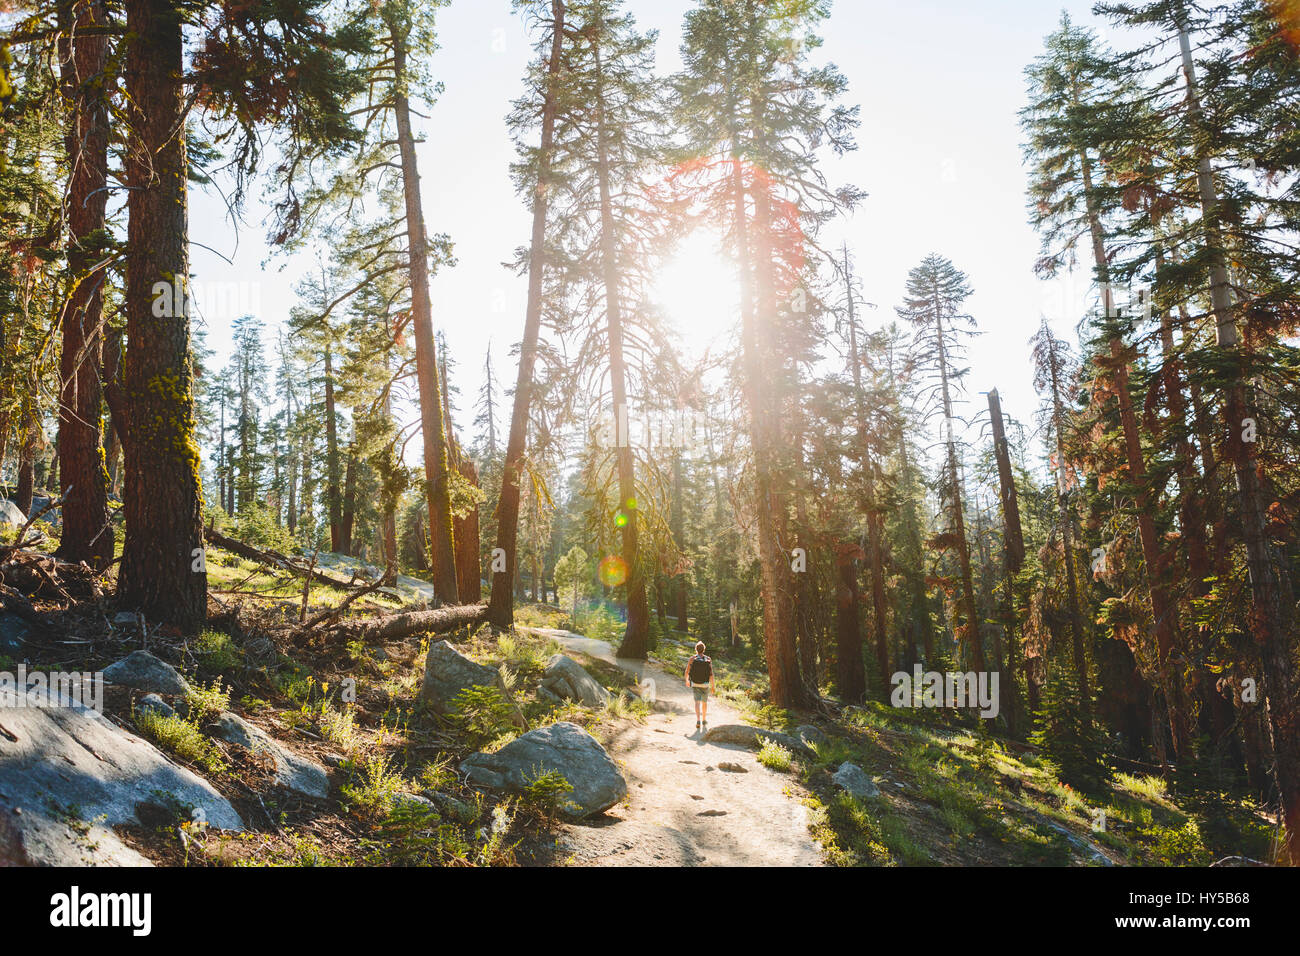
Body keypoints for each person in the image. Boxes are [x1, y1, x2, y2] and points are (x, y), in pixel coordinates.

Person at [684, 641, 715, 732]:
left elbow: (687, 671)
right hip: (705, 684)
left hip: (695, 683)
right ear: (704, 649)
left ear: (696, 649)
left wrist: (686, 680)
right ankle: (704, 719)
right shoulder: (708, 659)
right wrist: (713, 686)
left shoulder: (692, 658)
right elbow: (711, 674)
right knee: (704, 702)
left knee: (697, 702)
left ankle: (698, 720)